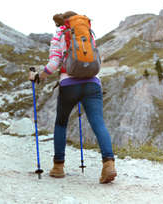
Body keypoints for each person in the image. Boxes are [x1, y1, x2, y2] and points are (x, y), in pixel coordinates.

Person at [29, 11, 117, 184]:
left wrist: (39, 76)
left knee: (61, 123)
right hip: (92, 83)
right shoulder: (87, 32)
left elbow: (54, 63)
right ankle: (109, 164)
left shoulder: (60, 34)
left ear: (61, 23)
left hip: (69, 84)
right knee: (98, 123)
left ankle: (58, 167)